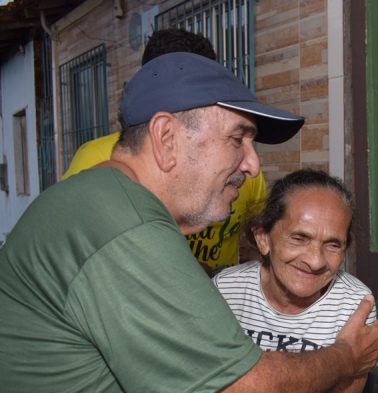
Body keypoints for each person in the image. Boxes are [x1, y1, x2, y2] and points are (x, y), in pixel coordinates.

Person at [0, 52, 378, 393]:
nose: (252, 164)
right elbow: (249, 391)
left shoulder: (98, 203)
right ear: (166, 137)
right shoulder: (124, 226)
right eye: (238, 139)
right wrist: (345, 356)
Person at [212, 170, 375, 393]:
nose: (315, 261)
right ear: (263, 237)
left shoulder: (354, 307)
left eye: (333, 245)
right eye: (299, 238)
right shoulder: (226, 292)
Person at [62, 28, 267, 274]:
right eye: (235, 138)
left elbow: (254, 244)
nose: (251, 165)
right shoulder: (98, 162)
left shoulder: (242, 171)